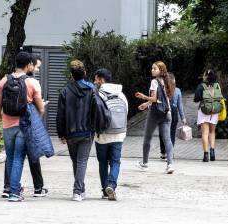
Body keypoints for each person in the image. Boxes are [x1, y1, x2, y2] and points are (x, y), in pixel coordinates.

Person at [0, 51, 45, 202]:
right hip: (24, 125)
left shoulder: (3, 81)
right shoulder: (32, 83)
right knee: (18, 158)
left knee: (10, 158)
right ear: (29, 65)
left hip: (8, 126)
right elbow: (40, 109)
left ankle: (11, 188)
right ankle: (15, 193)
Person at [56, 59, 95, 202]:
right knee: (82, 161)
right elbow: (96, 110)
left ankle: (80, 190)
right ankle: (78, 191)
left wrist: (61, 133)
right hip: (87, 132)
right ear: (84, 73)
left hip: (70, 132)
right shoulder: (91, 89)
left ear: (71, 75)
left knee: (76, 162)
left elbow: (60, 114)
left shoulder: (65, 91)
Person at [94, 68, 128, 201]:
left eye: (96, 79)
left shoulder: (98, 94)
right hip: (119, 134)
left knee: (103, 163)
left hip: (102, 135)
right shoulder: (121, 95)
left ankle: (104, 190)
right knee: (115, 162)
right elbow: (126, 112)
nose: (95, 81)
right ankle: (111, 186)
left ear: (101, 80)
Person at [135, 61, 175, 174]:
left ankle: (145, 163)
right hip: (167, 113)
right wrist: (146, 104)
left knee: (147, 138)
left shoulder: (154, 81)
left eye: (155, 68)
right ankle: (170, 164)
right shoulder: (168, 81)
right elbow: (162, 99)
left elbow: (154, 98)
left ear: (160, 70)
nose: (152, 70)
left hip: (155, 113)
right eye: (152, 68)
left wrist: (143, 97)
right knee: (167, 139)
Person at [194, 69, 223, 162]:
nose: (203, 76)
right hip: (214, 111)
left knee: (205, 133)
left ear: (206, 76)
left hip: (204, 111)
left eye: (204, 75)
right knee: (212, 132)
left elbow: (196, 98)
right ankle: (213, 152)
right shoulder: (217, 85)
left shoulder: (201, 86)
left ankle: (206, 155)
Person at [159, 72, 186, 160]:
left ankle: (163, 153)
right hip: (173, 112)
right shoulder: (177, 90)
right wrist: (183, 117)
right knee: (172, 133)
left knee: (163, 132)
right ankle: (169, 154)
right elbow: (180, 105)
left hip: (163, 111)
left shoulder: (161, 89)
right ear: (174, 80)